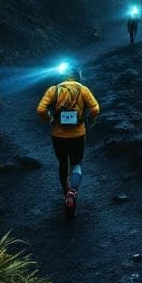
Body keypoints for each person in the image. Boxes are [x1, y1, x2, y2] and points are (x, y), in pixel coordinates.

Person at [36, 65, 100, 218]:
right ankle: (73, 191)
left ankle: (65, 194)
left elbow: (41, 109)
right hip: (78, 135)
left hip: (58, 135)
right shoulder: (83, 89)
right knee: (76, 163)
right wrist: (89, 120)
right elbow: (95, 108)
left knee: (63, 163)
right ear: (77, 75)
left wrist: (50, 119)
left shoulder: (53, 90)